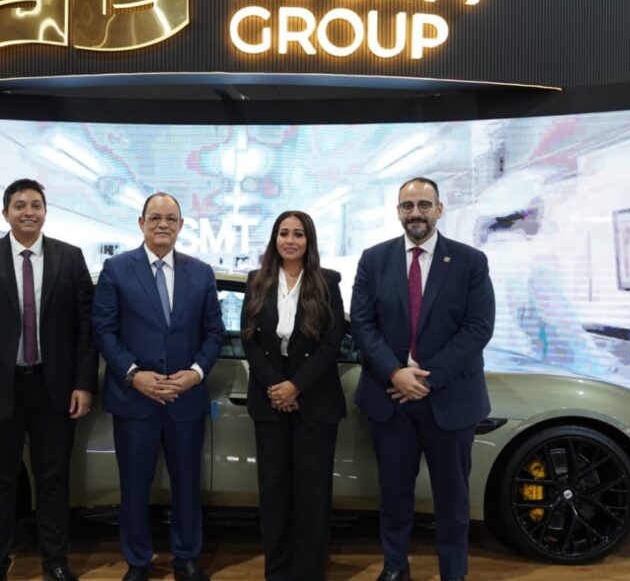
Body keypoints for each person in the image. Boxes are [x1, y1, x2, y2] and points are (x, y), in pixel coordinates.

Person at [0, 179, 98, 581]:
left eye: (35, 204)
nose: (28, 211)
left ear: (45, 211)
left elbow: (86, 328)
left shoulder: (70, 258)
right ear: (6, 214)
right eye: (19, 205)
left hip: (54, 389)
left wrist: (83, 384)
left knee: (54, 481)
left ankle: (56, 564)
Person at [350, 177, 495, 581]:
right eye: (408, 206)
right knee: (393, 495)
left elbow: (478, 327)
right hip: (390, 397)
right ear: (398, 211)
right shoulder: (373, 259)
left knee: (452, 499)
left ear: (439, 209)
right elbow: (362, 324)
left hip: (450, 399)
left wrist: (426, 379)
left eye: (424, 205)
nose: (416, 213)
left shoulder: (470, 261)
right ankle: (395, 567)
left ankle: (454, 572)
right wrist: (395, 372)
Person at [92, 192, 224, 581]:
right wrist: (134, 374)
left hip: (186, 399)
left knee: (187, 484)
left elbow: (213, 332)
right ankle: (138, 561)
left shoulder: (201, 273)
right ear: (141, 223)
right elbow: (104, 330)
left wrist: (196, 373)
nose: (162, 224)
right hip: (135, 399)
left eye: (170, 218)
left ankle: (186, 557)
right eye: (155, 218)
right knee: (134, 486)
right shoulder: (116, 269)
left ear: (181, 225)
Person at [240, 211, 346, 581]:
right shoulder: (257, 281)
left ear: (308, 240)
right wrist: (276, 386)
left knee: (312, 494)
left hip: (314, 399)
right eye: (283, 233)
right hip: (270, 399)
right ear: (274, 239)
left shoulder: (327, 282)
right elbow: (249, 339)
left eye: (298, 234)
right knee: (274, 493)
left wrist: (296, 386)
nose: (290, 240)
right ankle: (277, 571)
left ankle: (308, 572)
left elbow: (332, 342)